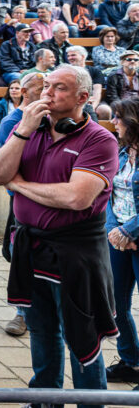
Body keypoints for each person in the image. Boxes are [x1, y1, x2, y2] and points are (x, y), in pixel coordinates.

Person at [0, 65, 119, 399]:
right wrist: (23, 131)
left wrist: (20, 185)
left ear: (82, 98)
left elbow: (77, 197)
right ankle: (45, 400)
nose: (47, 93)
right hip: (31, 249)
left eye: (59, 88)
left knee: (82, 338)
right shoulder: (27, 128)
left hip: (77, 255)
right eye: (46, 85)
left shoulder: (100, 139)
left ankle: (91, 403)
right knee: (41, 335)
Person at [104, 98, 139, 384]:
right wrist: (114, 230)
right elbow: (109, 196)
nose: (114, 122)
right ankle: (131, 361)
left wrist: (129, 231)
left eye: (119, 117)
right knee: (116, 303)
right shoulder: (122, 153)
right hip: (119, 241)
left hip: (134, 238)